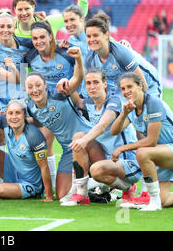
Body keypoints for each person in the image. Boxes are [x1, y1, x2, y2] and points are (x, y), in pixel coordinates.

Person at [110, 72, 173, 211]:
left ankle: (154, 203)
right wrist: (124, 113)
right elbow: (114, 131)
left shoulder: (153, 103)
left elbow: (151, 141)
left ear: (140, 86)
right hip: (162, 152)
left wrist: (122, 148)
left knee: (143, 153)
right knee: (165, 199)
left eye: (129, 87)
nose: (126, 91)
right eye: (123, 88)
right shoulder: (131, 108)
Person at [60, 68, 142, 206]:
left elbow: (103, 125)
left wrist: (85, 140)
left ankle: (128, 187)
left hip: (128, 162)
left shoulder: (114, 101)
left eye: (96, 82)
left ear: (105, 84)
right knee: (78, 135)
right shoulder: (89, 103)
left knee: (95, 168)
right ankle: (81, 194)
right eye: (88, 83)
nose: (92, 87)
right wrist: (67, 85)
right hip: (107, 158)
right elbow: (78, 101)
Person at [24, 47, 89, 201]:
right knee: (62, 195)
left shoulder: (60, 94)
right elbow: (38, 121)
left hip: (87, 142)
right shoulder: (31, 108)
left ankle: (98, 183)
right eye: (30, 87)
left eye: (38, 85)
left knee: (98, 173)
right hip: (68, 151)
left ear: (45, 85)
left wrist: (78, 59)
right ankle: (89, 188)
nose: (35, 90)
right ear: (26, 90)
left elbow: (78, 78)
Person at [24, 20, 80, 188]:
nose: (39, 41)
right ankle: (53, 186)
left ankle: (85, 184)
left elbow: (79, 73)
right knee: (45, 142)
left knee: (76, 144)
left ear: (50, 36)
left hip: (69, 106)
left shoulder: (66, 52)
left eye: (42, 37)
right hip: (47, 108)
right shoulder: (30, 57)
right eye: (35, 38)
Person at [83, 16, 149, 97]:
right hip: (123, 89)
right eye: (88, 36)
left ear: (107, 35)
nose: (91, 39)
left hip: (149, 84)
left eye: (95, 35)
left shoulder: (120, 54)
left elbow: (143, 85)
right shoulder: (89, 59)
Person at [0, 10, 33, 109]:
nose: (5, 30)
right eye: (1, 26)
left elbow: (45, 44)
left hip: (21, 100)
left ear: (14, 28)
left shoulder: (27, 44)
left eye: (9, 26)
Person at [12, 0, 88, 39]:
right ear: (14, 10)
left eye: (27, 9)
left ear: (34, 7)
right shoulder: (9, 26)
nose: (24, 13)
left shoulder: (49, 23)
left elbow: (79, 14)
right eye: (20, 9)